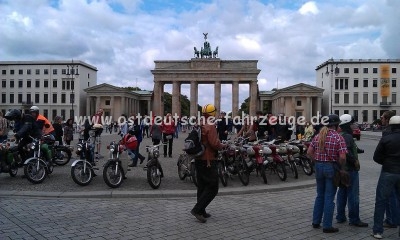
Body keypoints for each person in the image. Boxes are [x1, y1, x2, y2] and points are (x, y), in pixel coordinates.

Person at [307, 114, 347, 233]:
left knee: (320, 195)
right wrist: (340, 166)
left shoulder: (318, 136)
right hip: (331, 167)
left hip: (319, 166)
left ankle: (316, 222)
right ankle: (327, 226)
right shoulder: (338, 137)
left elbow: (309, 152)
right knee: (329, 197)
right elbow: (343, 157)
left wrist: (317, 161)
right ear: (336, 125)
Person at [191, 104, 226, 223]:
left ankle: (202, 210)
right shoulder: (210, 126)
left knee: (202, 186)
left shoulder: (199, 123)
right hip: (208, 159)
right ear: (212, 113)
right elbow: (214, 143)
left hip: (198, 158)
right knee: (213, 187)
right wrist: (223, 145)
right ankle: (197, 210)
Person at [335, 114, 368, 227]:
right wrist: (355, 161)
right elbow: (347, 152)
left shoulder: (340, 135)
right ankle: (354, 219)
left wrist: (359, 150)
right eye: (352, 123)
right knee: (353, 195)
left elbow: (348, 148)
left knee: (342, 193)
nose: (354, 125)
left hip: (342, 169)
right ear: (348, 124)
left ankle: (340, 216)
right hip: (350, 170)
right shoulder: (347, 136)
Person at [372, 115, 400, 239]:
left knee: (381, 201)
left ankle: (378, 231)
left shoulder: (386, 138)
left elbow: (376, 157)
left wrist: (386, 162)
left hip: (388, 171)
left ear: (391, 125)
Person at [379, 110, 399, 229]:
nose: (381, 119)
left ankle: (391, 219)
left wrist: (385, 162)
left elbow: (379, 154)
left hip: (389, 168)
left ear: (388, 120)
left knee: (388, 195)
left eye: (383, 118)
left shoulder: (386, 132)